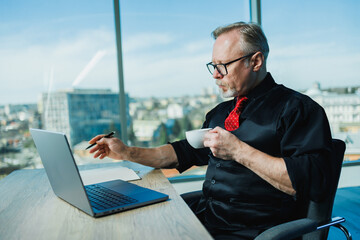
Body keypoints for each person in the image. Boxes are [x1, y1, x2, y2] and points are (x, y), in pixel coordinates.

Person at [89, 22, 332, 239]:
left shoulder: (298, 110)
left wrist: (238, 151)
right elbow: (181, 152)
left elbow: (309, 184)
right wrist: (127, 152)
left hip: (253, 231)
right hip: (208, 221)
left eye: (223, 66)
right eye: (213, 66)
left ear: (255, 61)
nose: (215, 75)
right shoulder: (220, 112)